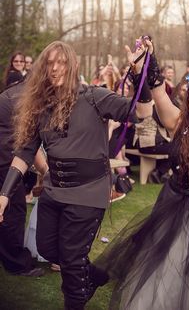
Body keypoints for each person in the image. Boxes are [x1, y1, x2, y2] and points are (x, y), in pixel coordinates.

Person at [0, 40, 152, 310]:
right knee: (47, 249)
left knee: (70, 263)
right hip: (54, 191)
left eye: (62, 63)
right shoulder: (40, 106)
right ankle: (94, 274)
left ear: (73, 66)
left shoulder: (95, 97)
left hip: (88, 194)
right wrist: (4, 194)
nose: (55, 69)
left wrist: (141, 74)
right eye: (50, 63)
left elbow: (141, 113)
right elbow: (25, 153)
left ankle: (76, 300)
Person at [95, 39, 189, 310]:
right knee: (169, 266)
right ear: (188, 96)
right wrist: (148, 62)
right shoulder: (177, 122)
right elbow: (158, 92)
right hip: (175, 207)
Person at [0, 79, 46, 277]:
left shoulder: (14, 91)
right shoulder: (25, 100)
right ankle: (17, 264)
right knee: (14, 211)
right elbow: (28, 142)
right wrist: (45, 170)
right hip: (6, 161)